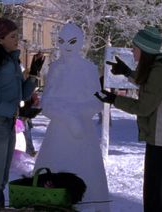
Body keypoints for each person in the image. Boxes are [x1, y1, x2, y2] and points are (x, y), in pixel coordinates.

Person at [95, 26, 162, 212]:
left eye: (135, 47)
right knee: (156, 193)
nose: (132, 50)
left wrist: (114, 99)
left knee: (158, 195)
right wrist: (127, 72)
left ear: (145, 49)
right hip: (161, 136)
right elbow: (149, 85)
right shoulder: (158, 68)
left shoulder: (158, 72)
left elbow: (143, 107)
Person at [34, 23, 110, 212]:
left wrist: (78, 113)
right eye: (61, 41)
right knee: (53, 170)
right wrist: (65, 115)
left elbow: (97, 102)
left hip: (82, 134)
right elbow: (46, 102)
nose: (66, 46)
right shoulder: (55, 68)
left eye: (72, 41)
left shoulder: (88, 69)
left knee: (87, 175)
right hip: (58, 132)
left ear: (81, 42)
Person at [0, 17, 44, 209]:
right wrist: (17, 109)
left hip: (8, 123)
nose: (17, 39)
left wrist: (34, 73)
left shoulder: (11, 60)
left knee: (3, 176)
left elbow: (21, 93)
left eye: (17, 35)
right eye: (13, 36)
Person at [18, 91, 42, 157]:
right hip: (21, 114)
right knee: (23, 134)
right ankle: (28, 152)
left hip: (25, 114)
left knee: (26, 133)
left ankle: (30, 151)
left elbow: (36, 104)